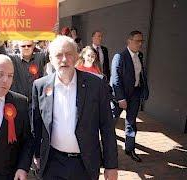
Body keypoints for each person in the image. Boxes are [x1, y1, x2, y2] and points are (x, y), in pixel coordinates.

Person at [32, 35, 118, 180]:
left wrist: (111, 165)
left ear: (77, 57)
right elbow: (36, 126)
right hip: (53, 163)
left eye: (69, 54)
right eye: (58, 55)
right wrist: (37, 155)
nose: (64, 59)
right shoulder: (40, 86)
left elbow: (107, 127)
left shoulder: (96, 84)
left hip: (85, 163)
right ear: (51, 60)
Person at [110, 30, 149, 162]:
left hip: (135, 95)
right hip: (120, 96)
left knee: (131, 123)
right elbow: (115, 79)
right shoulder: (119, 56)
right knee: (110, 122)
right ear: (129, 41)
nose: (140, 44)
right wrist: (120, 98)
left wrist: (143, 90)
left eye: (141, 41)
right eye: (137, 41)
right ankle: (105, 150)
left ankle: (130, 149)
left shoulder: (140, 55)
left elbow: (140, 75)